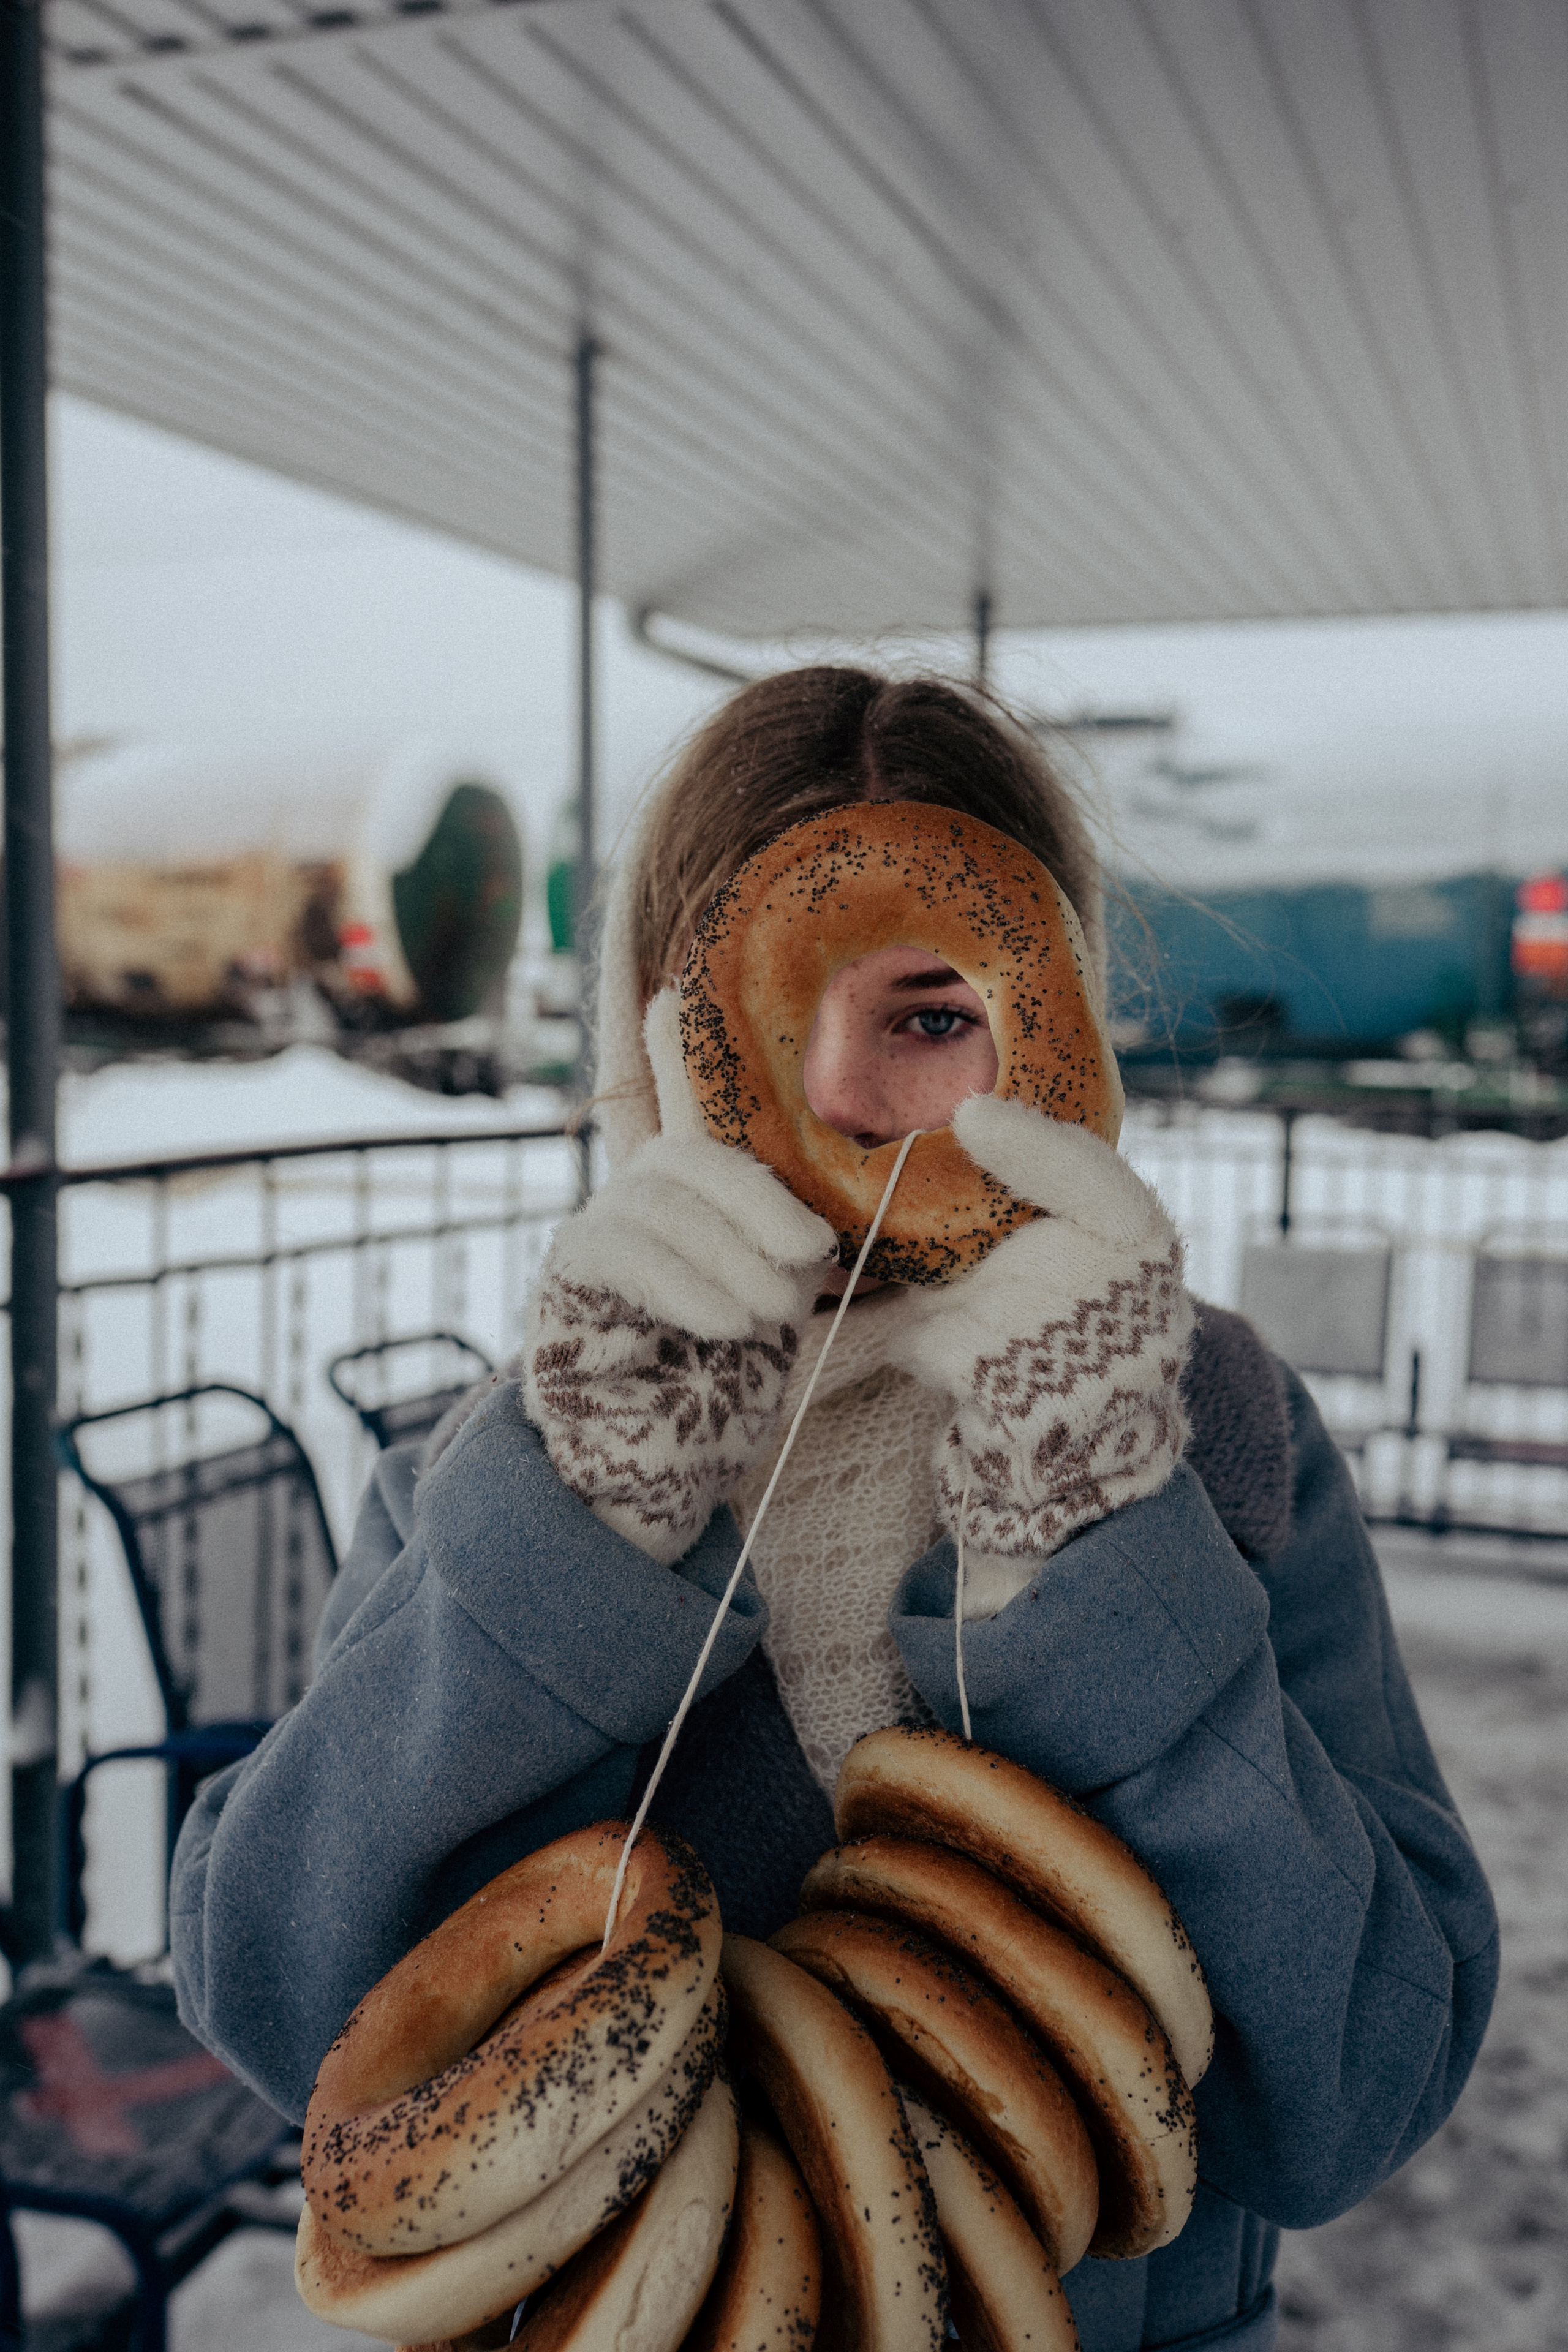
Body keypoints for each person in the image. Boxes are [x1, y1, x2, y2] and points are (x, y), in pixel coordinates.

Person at [170, 668, 1496, 2352]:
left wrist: (1092, 1549)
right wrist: (585, 1527)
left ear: (1058, 1033)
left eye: (931, 1019)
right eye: (757, 1017)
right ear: (650, 1038)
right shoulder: (500, 1467)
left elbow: (1353, 2095)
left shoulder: (1212, 1433)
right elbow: (286, 2012)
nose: (848, 1096)